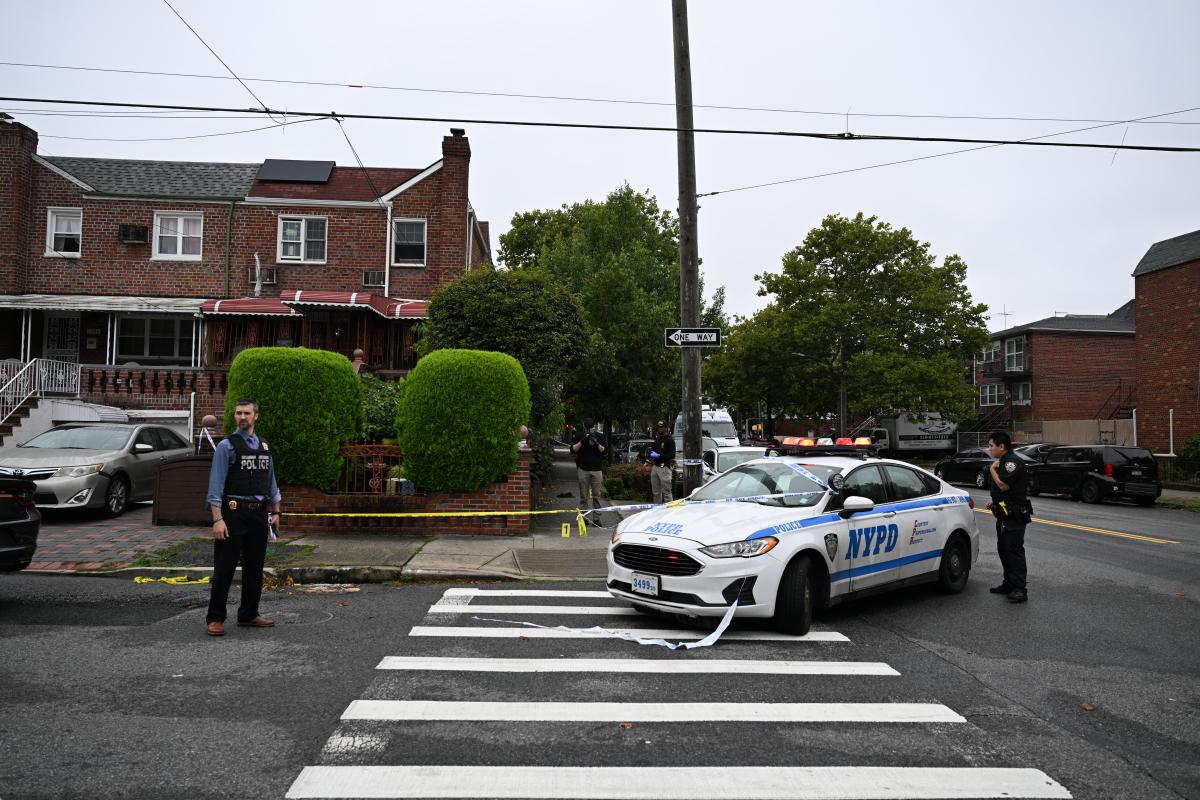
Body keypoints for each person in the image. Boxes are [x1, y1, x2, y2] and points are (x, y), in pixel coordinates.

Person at [204, 398, 282, 636]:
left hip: (258, 515)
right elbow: (215, 486)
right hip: (233, 514)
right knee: (225, 568)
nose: (242, 417)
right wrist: (218, 519)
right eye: (238, 413)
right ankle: (216, 618)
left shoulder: (264, 446)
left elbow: (271, 483)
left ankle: (249, 614)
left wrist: (276, 511)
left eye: (247, 413)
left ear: (256, 416)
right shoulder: (227, 446)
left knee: (254, 568)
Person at [986, 429, 1031, 603]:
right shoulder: (1003, 461)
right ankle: (1009, 584)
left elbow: (1003, 485)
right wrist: (995, 502)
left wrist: (991, 469)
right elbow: (1003, 493)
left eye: (991, 446)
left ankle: (1020, 589)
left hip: (1014, 517)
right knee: (1004, 550)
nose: (989, 449)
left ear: (1001, 446)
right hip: (1003, 515)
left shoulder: (1012, 462)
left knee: (1014, 552)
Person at [571, 418, 607, 511]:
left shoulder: (599, 436)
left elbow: (604, 451)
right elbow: (573, 449)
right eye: (587, 428)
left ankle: (597, 519)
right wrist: (582, 441)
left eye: (590, 428)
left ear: (594, 427)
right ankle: (584, 517)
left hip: (597, 470)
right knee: (583, 496)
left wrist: (596, 443)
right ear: (584, 427)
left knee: (597, 496)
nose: (589, 430)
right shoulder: (580, 435)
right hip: (583, 469)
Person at [648, 419, 677, 504]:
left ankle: (669, 512)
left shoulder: (670, 440)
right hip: (655, 467)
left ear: (666, 428)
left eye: (662, 428)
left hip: (664, 467)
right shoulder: (657, 439)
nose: (660, 429)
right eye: (659, 428)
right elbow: (653, 450)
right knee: (656, 493)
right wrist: (651, 454)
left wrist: (659, 456)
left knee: (667, 493)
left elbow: (672, 455)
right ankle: (657, 510)